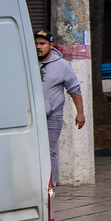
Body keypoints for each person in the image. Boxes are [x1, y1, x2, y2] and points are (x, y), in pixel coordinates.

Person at [35, 30, 86, 183]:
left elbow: (74, 89)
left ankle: (51, 185)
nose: (38, 47)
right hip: (31, 114)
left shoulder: (62, 65)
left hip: (52, 114)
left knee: (50, 151)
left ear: (51, 45)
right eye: (36, 43)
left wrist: (80, 113)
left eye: (42, 44)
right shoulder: (27, 61)